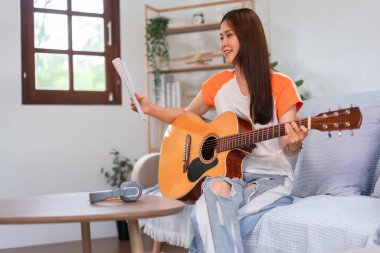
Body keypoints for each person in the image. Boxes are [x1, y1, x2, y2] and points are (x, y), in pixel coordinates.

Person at [131, 8, 308, 253]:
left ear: (248, 37)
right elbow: (185, 118)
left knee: (206, 212)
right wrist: (150, 108)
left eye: (229, 36)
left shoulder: (281, 84)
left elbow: (289, 145)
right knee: (214, 191)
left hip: (270, 179)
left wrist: (295, 142)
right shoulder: (217, 84)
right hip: (228, 178)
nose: (222, 43)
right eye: (221, 37)